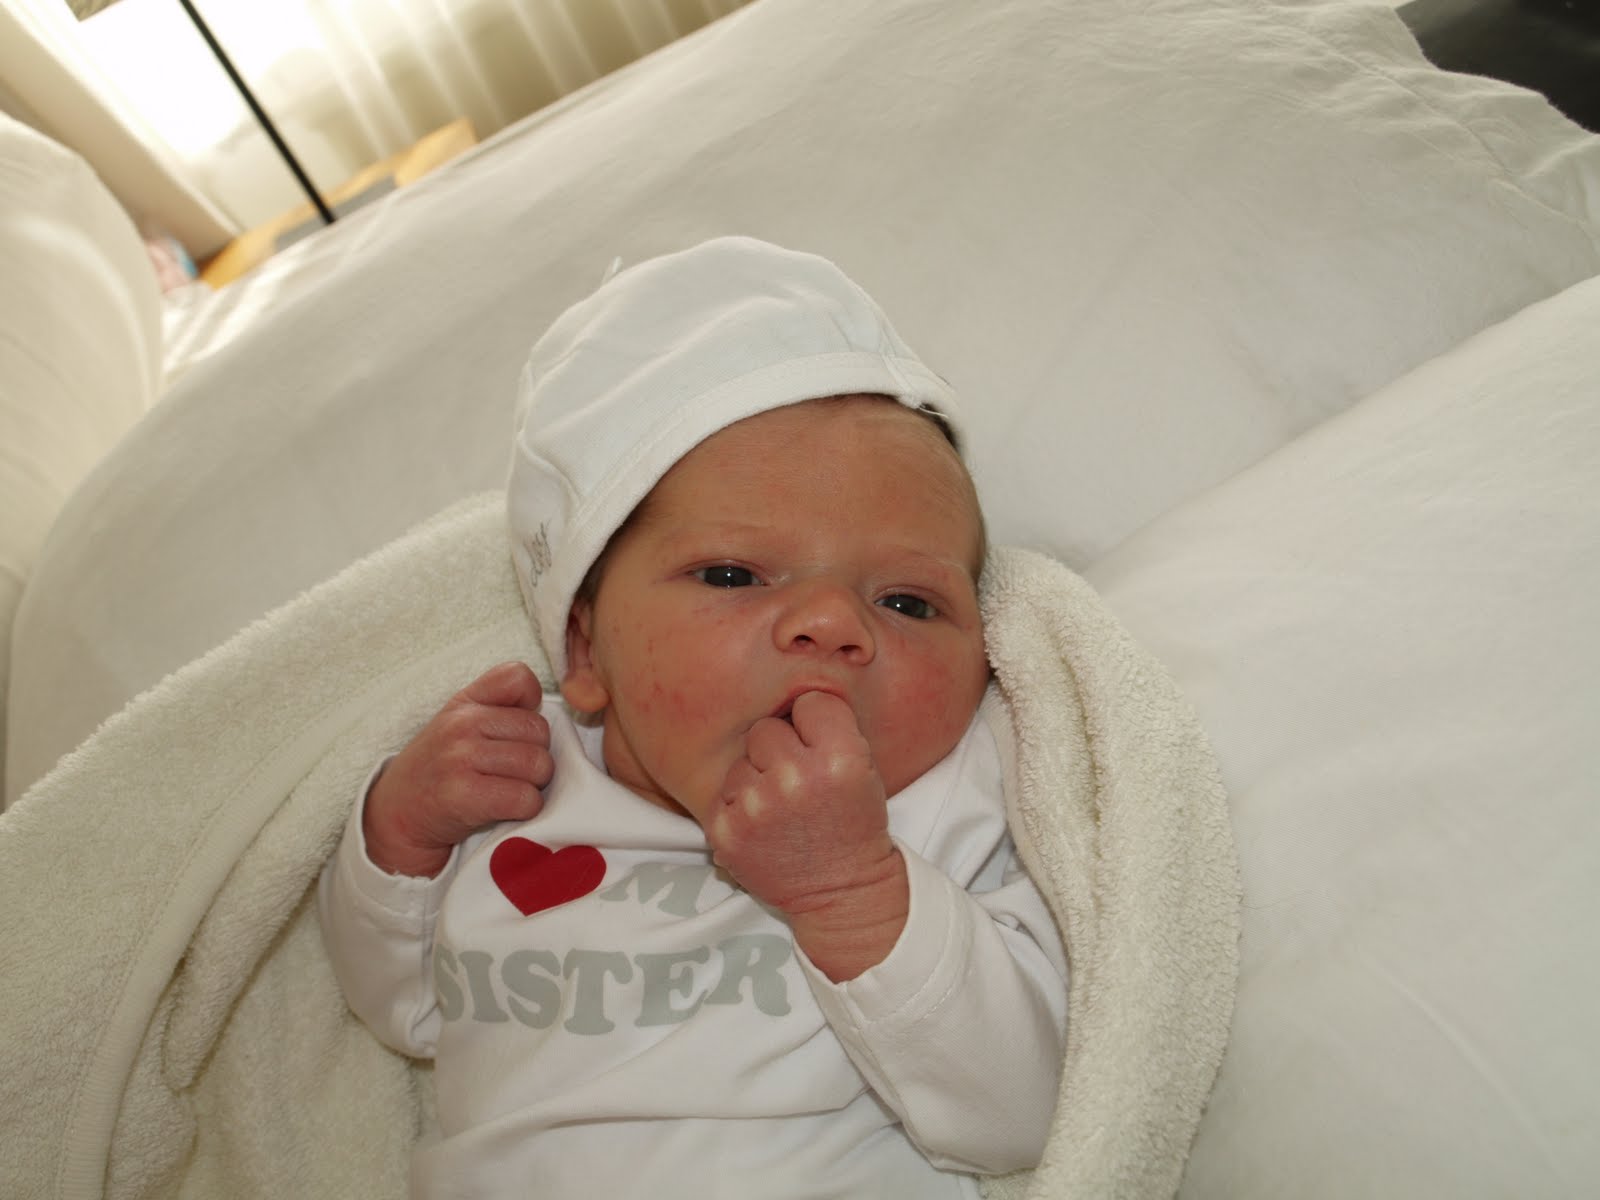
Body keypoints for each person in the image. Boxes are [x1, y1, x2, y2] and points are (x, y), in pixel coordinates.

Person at [318, 237, 1067, 1199]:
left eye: (908, 602)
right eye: (734, 575)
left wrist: (852, 890)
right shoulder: (520, 790)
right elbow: (397, 1004)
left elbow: (1022, 1113)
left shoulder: (957, 803)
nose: (831, 623)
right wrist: (401, 833)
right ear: (585, 650)